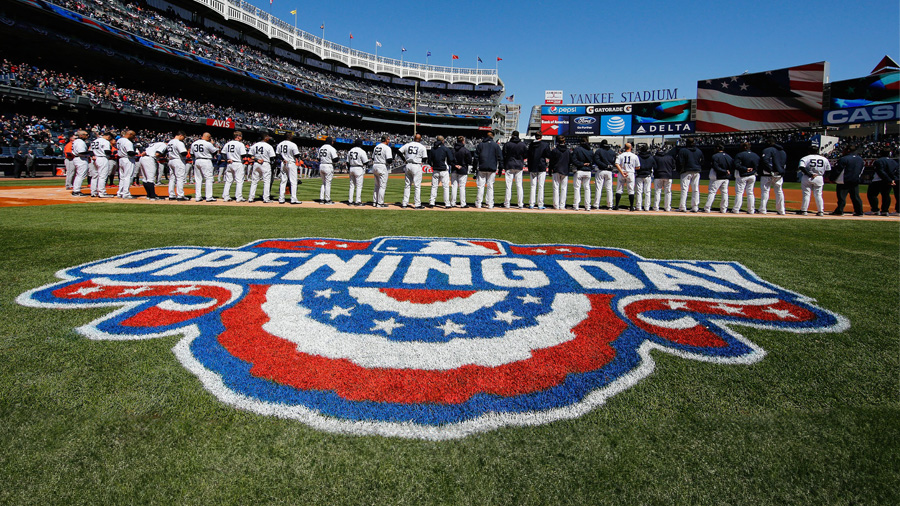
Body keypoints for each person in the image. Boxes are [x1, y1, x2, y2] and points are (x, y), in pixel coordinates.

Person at [831, 143, 865, 216]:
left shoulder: (844, 159)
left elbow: (838, 170)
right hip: (855, 180)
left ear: (848, 150)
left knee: (842, 197)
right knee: (856, 197)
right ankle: (859, 211)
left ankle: (839, 211)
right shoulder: (860, 159)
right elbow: (861, 170)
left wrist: (832, 178)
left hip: (844, 180)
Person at [797, 144, 830, 216]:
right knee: (818, 195)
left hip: (807, 177)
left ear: (809, 151)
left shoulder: (805, 158)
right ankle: (820, 211)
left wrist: (809, 174)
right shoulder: (824, 159)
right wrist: (822, 177)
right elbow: (828, 170)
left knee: (806, 194)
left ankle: (804, 210)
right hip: (819, 177)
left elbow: (801, 167)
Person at [399, 133, 428, 209]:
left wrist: (404, 160)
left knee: (407, 185)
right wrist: (419, 159)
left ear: (414, 138)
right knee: (417, 186)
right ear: (420, 139)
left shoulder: (408, 144)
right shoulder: (422, 146)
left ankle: (404, 203)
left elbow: (399, 151)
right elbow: (425, 158)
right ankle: (417, 204)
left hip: (408, 165)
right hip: (416, 165)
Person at [474, 131, 502, 209]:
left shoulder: (481, 145)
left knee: (480, 186)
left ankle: (479, 203)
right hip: (492, 168)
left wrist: (474, 168)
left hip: (482, 167)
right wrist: (500, 168)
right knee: (490, 186)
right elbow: (500, 158)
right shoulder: (496, 145)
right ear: (493, 136)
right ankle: (490, 204)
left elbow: (476, 157)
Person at [759, 137, 787, 215]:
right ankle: (781, 210)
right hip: (779, 174)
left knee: (765, 191)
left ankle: (763, 209)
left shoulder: (767, 150)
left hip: (767, 173)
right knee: (779, 191)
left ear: (769, 142)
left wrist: (770, 170)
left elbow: (765, 161)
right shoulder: (782, 151)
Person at [732, 142, 759, 214]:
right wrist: (753, 170)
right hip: (752, 175)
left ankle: (736, 209)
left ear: (744, 147)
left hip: (742, 175)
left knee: (739, 192)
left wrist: (745, 169)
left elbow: (736, 165)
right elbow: (758, 165)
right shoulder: (755, 155)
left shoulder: (740, 155)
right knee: (750, 193)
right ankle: (751, 210)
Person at [190, 132, 219, 202]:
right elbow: (215, 152)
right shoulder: (208, 144)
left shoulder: (194, 143)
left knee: (198, 179)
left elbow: (192, 154)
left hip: (197, 160)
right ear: (208, 137)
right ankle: (209, 197)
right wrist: (213, 144)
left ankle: (198, 196)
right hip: (206, 160)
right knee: (208, 178)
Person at [247, 135, 276, 203]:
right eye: (268, 137)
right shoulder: (268, 146)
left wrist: (257, 159)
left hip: (256, 163)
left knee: (254, 181)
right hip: (265, 163)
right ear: (265, 138)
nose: (269, 138)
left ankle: (251, 198)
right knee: (266, 181)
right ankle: (266, 198)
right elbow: (272, 157)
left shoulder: (255, 145)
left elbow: (250, 155)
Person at [677, 138, 703, 212]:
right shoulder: (699, 151)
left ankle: (682, 207)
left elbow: (680, 161)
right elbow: (702, 161)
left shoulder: (683, 151)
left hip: (686, 171)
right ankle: (695, 207)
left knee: (684, 189)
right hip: (696, 171)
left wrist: (680, 170)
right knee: (695, 189)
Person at [502, 131, 527, 209]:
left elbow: (504, 155)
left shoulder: (507, 144)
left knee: (508, 186)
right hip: (519, 165)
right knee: (519, 185)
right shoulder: (522, 144)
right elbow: (526, 155)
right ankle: (520, 204)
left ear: (512, 135)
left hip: (509, 165)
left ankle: (507, 203)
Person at [869, 148, 897, 216]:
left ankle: (875, 210)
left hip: (878, 180)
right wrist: (891, 180)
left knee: (872, 195)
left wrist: (888, 179)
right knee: (886, 195)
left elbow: (880, 171)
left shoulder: (878, 161)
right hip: (888, 181)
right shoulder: (894, 162)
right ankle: (885, 210)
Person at [428, 136, 455, 208]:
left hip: (435, 170)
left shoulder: (433, 149)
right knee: (446, 187)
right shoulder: (446, 149)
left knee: (434, 186)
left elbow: (429, 160)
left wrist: (433, 165)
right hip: (444, 170)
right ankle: (447, 203)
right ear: (443, 141)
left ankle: (431, 202)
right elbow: (451, 159)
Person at [704, 144, 732, 213]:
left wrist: (723, 171)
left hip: (717, 177)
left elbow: (715, 167)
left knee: (712, 192)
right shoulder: (728, 156)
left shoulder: (715, 156)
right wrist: (726, 171)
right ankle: (724, 209)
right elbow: (731, 165)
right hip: (726, 177)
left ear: (717, 148)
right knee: (724, 193)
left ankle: (707, 208)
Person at [276, 133, 302, 205]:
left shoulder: (280, 144)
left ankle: (281, 199)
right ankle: (293, 199)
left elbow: (277, 154)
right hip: (291, 162)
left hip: (283, 163)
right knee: (293, 181)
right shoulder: (293, 144)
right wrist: (299, 156)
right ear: (289, 137)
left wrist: (283, 159)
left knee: (283, 181)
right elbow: (296, 155)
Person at [526, 133, 550, 209]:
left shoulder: (531, 145)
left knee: (533, 186)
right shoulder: (545, 145)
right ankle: (540, 204)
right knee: (541, 186)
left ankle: (531, 204)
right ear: (541, 137)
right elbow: (548, 155)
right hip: (541, 166)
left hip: (533, 166)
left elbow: (528, 156)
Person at [221, 131, 248, 202]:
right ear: (238, 136)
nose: (241, 137)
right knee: (239, 181)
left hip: (230, 163)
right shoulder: (240, 144)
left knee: (228, 181)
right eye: (241, 136)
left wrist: (227, 159)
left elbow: (223, 153)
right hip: (237, 163)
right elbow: (243, 155)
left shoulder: (228, 143)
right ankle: (239, 197)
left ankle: (225, 196)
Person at [615, 142, 640, 211]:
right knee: (631, 190)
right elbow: (638, 167)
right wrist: (631, 168)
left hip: (622, 172)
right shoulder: (634, 156)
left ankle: (616, 206)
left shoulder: (621, 155)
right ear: (630, 148)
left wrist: (622, 172)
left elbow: (616, 164)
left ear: (624, 148)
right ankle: (631, 207)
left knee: (619, 189)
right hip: (631, 173)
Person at [592, 140, 617, 210]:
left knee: (598, 188)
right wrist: (609, 165)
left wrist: (605, 165)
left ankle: (596, 205)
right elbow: (614, 161)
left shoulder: (599, 151)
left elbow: (596, 160)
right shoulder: (612, 151)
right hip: (609, 172)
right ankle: (610, 205)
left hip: (601, 170)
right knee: (609, 189)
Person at [571, 138, 594, 211]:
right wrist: (588, 164)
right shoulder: (590, 150)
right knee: (587, 188)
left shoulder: (577, 149)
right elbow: (593, 161)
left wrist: (581, 164)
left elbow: (574, 160)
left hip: (580, 170)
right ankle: (588, 206)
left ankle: (576, 205)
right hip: (588, 171)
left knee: (577, 188)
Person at [165, 131, 189, 201]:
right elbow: (183, 153)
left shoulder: (170, 142)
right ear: (181, 135)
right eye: (183, 137)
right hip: (178, 160)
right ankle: (180, 195)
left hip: (171, 160)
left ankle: (171, 195)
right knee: (180, 178)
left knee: (172, 178)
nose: (183, 139)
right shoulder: (179, 142)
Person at [549, 136, 571, 210]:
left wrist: (549, 170)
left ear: (557, 142)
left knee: (556, 188)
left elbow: (551, 162)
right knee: (564, 188)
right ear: (564, 142)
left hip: (556, 170)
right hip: (565, 170)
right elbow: (570, 161)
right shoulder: (568, 151)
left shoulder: (554, 150)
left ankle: (556, 205)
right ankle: (562, 205)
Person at [371, 135, 393, 208]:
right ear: (386, 140)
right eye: (388, 139)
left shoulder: (376, 147)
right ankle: (380, 203)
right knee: (382, 186)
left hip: (375, 165)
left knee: (376, 185)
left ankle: (375, 202)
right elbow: (389, 160)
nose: (389, 140)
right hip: (382, 166)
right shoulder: (387, 148)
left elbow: (372, 158)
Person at [115, 130, 138, 199]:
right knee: (128, 176)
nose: (134, 137)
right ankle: (126, 193)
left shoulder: (119, 140)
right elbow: (130, 152)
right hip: (128, 159)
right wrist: (137, 154)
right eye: (133, 136)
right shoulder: (128, 142)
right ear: (130, 134)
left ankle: (120, 192)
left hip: (121, 159)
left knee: (122, 177)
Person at [653, 146, 676, 212]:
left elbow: (654, 167)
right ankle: (667, 207)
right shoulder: (670, 157)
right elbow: (673, 167)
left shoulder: (655, 158)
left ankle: (656, 207)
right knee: (668, 192)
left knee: (657, 192)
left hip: (658, 176)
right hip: (668, 176)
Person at [451, 136, 473, 208]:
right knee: (462, 187)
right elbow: (470, 161)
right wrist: (462, 165)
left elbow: (450, 160)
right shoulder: (466, 150)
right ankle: (463, 203)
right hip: (463, 169)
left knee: (454, 186)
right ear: (463, 141)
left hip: (454, 169)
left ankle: (453, 203)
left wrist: (455, 165)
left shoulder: (452, 150)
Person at [91, 132, 114, 198]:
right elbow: (107, 151)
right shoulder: (105, 141)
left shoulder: (94, 141)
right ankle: (102, 192)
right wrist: (112, 152)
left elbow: (90, 151)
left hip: (95, 158)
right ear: (108, 136)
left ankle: (93, 192)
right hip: (102, 158)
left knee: (95, 176)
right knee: (102, 176)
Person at [346, 139, 369, 205]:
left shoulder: (350, 151)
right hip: (358, 168)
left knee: (351, 185)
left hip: (351, 167)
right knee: (359, 186)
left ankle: (350, 201)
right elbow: (366, 162)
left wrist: (349, 168)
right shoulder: (361, 151)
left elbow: (347, 162)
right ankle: (358, 201)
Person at [317, 137, 339, 205]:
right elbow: (335, 159)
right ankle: (327, 200)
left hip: (321, 165)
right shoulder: (331, 148)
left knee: (323, 183)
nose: (333, 142)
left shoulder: (321, 148)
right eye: (332, 141)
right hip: (328, 166)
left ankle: (321, 199)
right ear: (330, 141)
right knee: (328, 183)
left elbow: (318, 158)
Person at [635, 145, 656, 211]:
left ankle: (638, 206)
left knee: (639, 191)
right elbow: (654, 166)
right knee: (647, 191)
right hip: (648, 175)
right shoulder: (651, 157)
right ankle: (647, 207)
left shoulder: (638, 157)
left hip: (639, 175)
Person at [70, 131, 91, 196]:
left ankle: (76, 190)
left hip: (78, 158)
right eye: (86, 134)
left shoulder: (76, 141)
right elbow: (81, 152)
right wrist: (91, 153)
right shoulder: (80, 142)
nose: (87, 136)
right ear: (81, 135)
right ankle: (76, 191)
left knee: (79, 175)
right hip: (81, 159)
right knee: (80, 175)